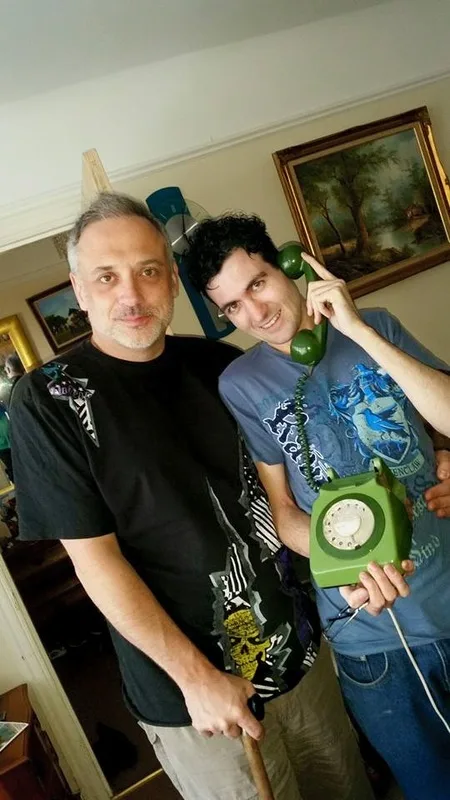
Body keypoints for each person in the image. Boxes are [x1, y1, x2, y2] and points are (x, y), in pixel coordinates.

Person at [9, 193, 373, 800]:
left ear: (173, 281)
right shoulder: (48, 400)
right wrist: (196, 677)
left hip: (299, 655)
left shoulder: (223, 365)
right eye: (107, 276)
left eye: (149, 270)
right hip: (196, 700)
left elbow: (298, 483)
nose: (132, 295)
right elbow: (95, 562)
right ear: (78, 288)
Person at [185, 213, 450, 800]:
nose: (255, 315)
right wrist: (351, 563)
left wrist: (357, 330)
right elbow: (282, 511)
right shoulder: (242, 384)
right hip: (375, 641)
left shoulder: (376, 326)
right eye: (232, 307)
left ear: (290, 266)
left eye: (257, 284)